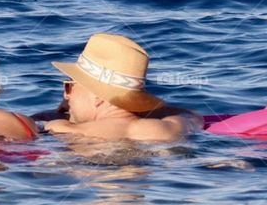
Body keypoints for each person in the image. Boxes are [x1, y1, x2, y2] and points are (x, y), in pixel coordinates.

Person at [41, 33, 201, 142]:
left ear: (97, 96)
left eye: (69, 87)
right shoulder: (166, 130)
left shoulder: (64, 129)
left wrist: (61, 115)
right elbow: (192, 116)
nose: (66, 97)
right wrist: (141, 110)